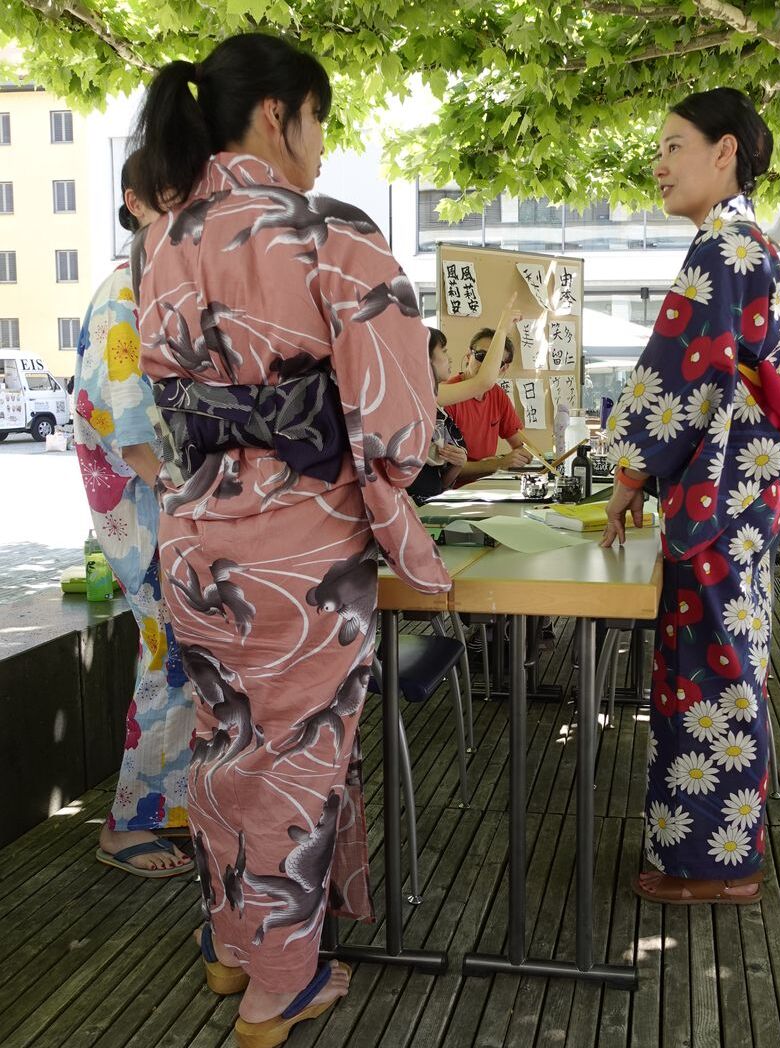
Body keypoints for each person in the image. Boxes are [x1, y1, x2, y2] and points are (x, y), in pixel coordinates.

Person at [132, 32, 450, 1044]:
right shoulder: (330, 232)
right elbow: (399, 421)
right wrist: (396, 506)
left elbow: (164, 392)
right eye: (319, 120)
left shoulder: (166, 235)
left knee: (225, 745)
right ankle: (280, 986)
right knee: (296, 764)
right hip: (297, 545)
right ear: (279, 113)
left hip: (195, 532)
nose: (320, 145)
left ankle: (232, 949)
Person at [601, 87, 780, 905]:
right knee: (730, 660)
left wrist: (626, 476)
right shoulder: (752, 242)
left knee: (710, 667)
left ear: (726, 153)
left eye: (674, 145)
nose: (658, 163)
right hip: (744, 490)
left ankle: (713, 865)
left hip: (719, 495)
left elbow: (681, 374)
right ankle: (718, 851)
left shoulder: (722, 248)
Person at [73, 150, 195, 879]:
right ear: (136, 202)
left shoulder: (151, 285)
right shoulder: (126, 291)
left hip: (152, 497)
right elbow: (128, 424)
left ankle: (164, 808)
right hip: (144, 501)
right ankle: (125, 823)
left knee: (176, 650)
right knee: (170, 649)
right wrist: (189, 494)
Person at [444, 327, 532, 481]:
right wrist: (497, 463)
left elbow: (524, 447)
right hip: (452, 492)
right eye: (481, 356)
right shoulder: (447, 395)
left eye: (494, 360)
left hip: (485, 486)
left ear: (503, 368)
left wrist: (517, 457)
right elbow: (444, 469)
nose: (486, 365)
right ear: (468, 356)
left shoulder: (498, 395)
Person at [407, 327, 468, 502]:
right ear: (424, 359)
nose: (450, 358)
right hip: (407, 509)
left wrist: (458, 465)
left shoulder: (441, 413)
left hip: (432, 504)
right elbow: (484, 382)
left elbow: (440, 484)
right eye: (444, 351)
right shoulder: (410, 402)